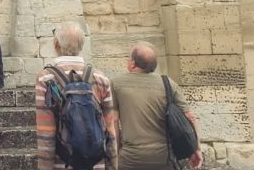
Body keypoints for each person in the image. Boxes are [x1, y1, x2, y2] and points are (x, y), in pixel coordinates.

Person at [35, 23, 118, 170]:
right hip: (95, 163)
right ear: (81, 46)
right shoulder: (101, 78)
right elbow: (110, 129)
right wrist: (112, 166)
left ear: (56, 45)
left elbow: (46, 132)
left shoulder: (46, 79)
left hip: (63, 162)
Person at [111, 42, 203, 170]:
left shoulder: (116, 84)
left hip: (130, 158)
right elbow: (190, 117)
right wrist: (196, 148)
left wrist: (115, 155)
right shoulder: (168, 83)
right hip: (164, 158)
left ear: (132, 63)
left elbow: (113, 121)